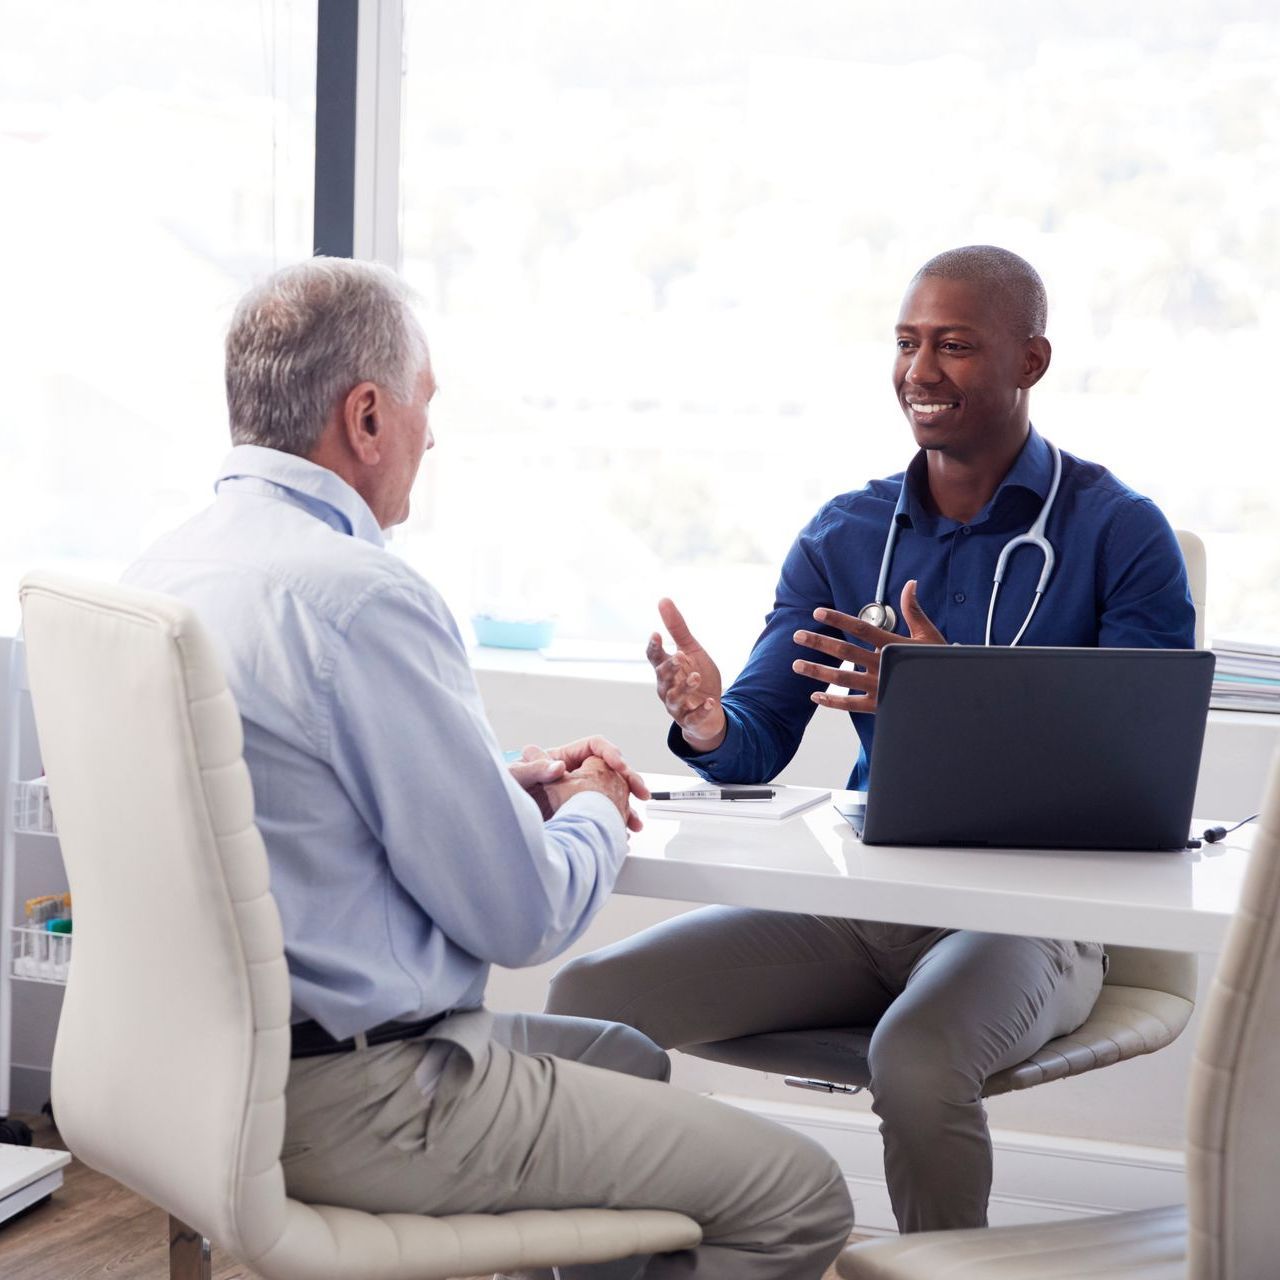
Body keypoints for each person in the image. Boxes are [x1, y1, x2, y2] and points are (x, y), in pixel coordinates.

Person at [123, 257, 853, 1280]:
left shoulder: (166, 567)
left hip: (200, 1079)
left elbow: (270, 812)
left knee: (627, 1057)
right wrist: (593, 803)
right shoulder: (359, 596)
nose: (433, 434)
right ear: (367, 416)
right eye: (425, 405)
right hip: (368, 1101)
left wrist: (491, 789)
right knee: (799, 1192)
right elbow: (523, 916)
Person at [547, 245, 1197, 1235]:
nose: (918, 370)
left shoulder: (1118, 533)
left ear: (1029, 360)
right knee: (588, 998)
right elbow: (755, 737)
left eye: (953, 345)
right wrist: (704, 716)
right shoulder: (845, 532)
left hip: (1032, 919)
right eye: (904, 343)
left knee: (917, 1055)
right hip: (865, 904)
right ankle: (617, 1256)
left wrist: (953, 699)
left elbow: (1135, 774)